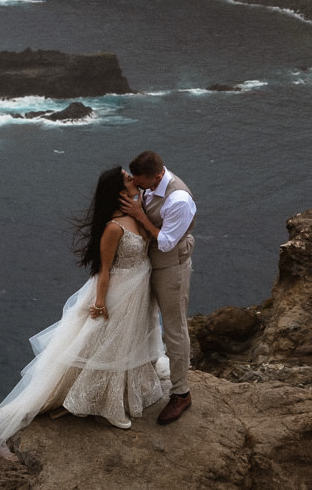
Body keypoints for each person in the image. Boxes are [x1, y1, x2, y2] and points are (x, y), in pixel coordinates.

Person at [0, 167, 166, 451]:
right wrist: (100, 302)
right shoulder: (114, 227)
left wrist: (140, 213)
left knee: (129, 341)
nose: (135, 181)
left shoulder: (138, 215)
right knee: (109, 344)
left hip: (140, 290)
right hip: (120, 292)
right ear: (119, 192)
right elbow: (104, 270)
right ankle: (108, 406)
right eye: (129, 179)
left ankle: (127, 394)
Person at [120, 150, 196, 425]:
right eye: (136, 182)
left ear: (158, 175)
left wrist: (140, 215)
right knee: (145, 321)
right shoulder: (149, 182)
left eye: (142, 184)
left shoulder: (179, 199)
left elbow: (166, 242)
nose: (139, 188)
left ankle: (181, 393)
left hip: (171, 267)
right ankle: (143, 376)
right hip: (146, 265)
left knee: (174, 329)